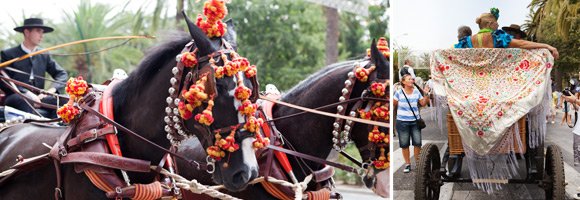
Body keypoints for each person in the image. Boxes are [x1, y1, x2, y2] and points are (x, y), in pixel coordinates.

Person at [0, 18, 68, 118]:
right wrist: (26, 93)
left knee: (63, 100)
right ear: (27, 32)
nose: (42, 35)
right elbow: (3, 80)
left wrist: (51, 91)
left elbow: (61, 74)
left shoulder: (44, 54)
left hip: (40, 97)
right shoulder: (9, 54)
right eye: (38, 31)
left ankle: (57, 130)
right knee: (23, 100)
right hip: (16, 97)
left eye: (42, 32)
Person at [455, 8, 559, 59]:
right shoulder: (498, 37)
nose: (498, 25)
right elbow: (523, 44)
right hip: (497, 86)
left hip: (474, 88)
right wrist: (547, 46)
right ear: (490, 24)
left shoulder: (466, 41)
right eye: (496, 23)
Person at [394, 74, 430, 173]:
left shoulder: (416, 92)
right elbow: (393, 105)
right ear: (404, 82)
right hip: (402, 122)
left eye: (412, 78)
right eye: (409, 79)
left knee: (417, 143)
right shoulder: (398, 93)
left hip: (415, 122)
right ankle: (408, 164)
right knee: (405, 144)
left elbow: (423, 103)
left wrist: (426, 94)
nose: (412, 80)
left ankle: (418, 164)